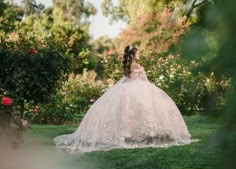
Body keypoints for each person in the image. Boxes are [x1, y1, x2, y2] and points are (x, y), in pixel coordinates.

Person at [54, 45, 192, 152]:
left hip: (129, 88)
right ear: (133, 55)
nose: (139, 54)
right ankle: (147, 133)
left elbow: (128, 79)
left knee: (128, 112)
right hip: (141, 87)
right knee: (145, 109)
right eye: (137, 53)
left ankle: (130, 133)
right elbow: (144, 79)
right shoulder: (137, 66)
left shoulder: (128, 66)